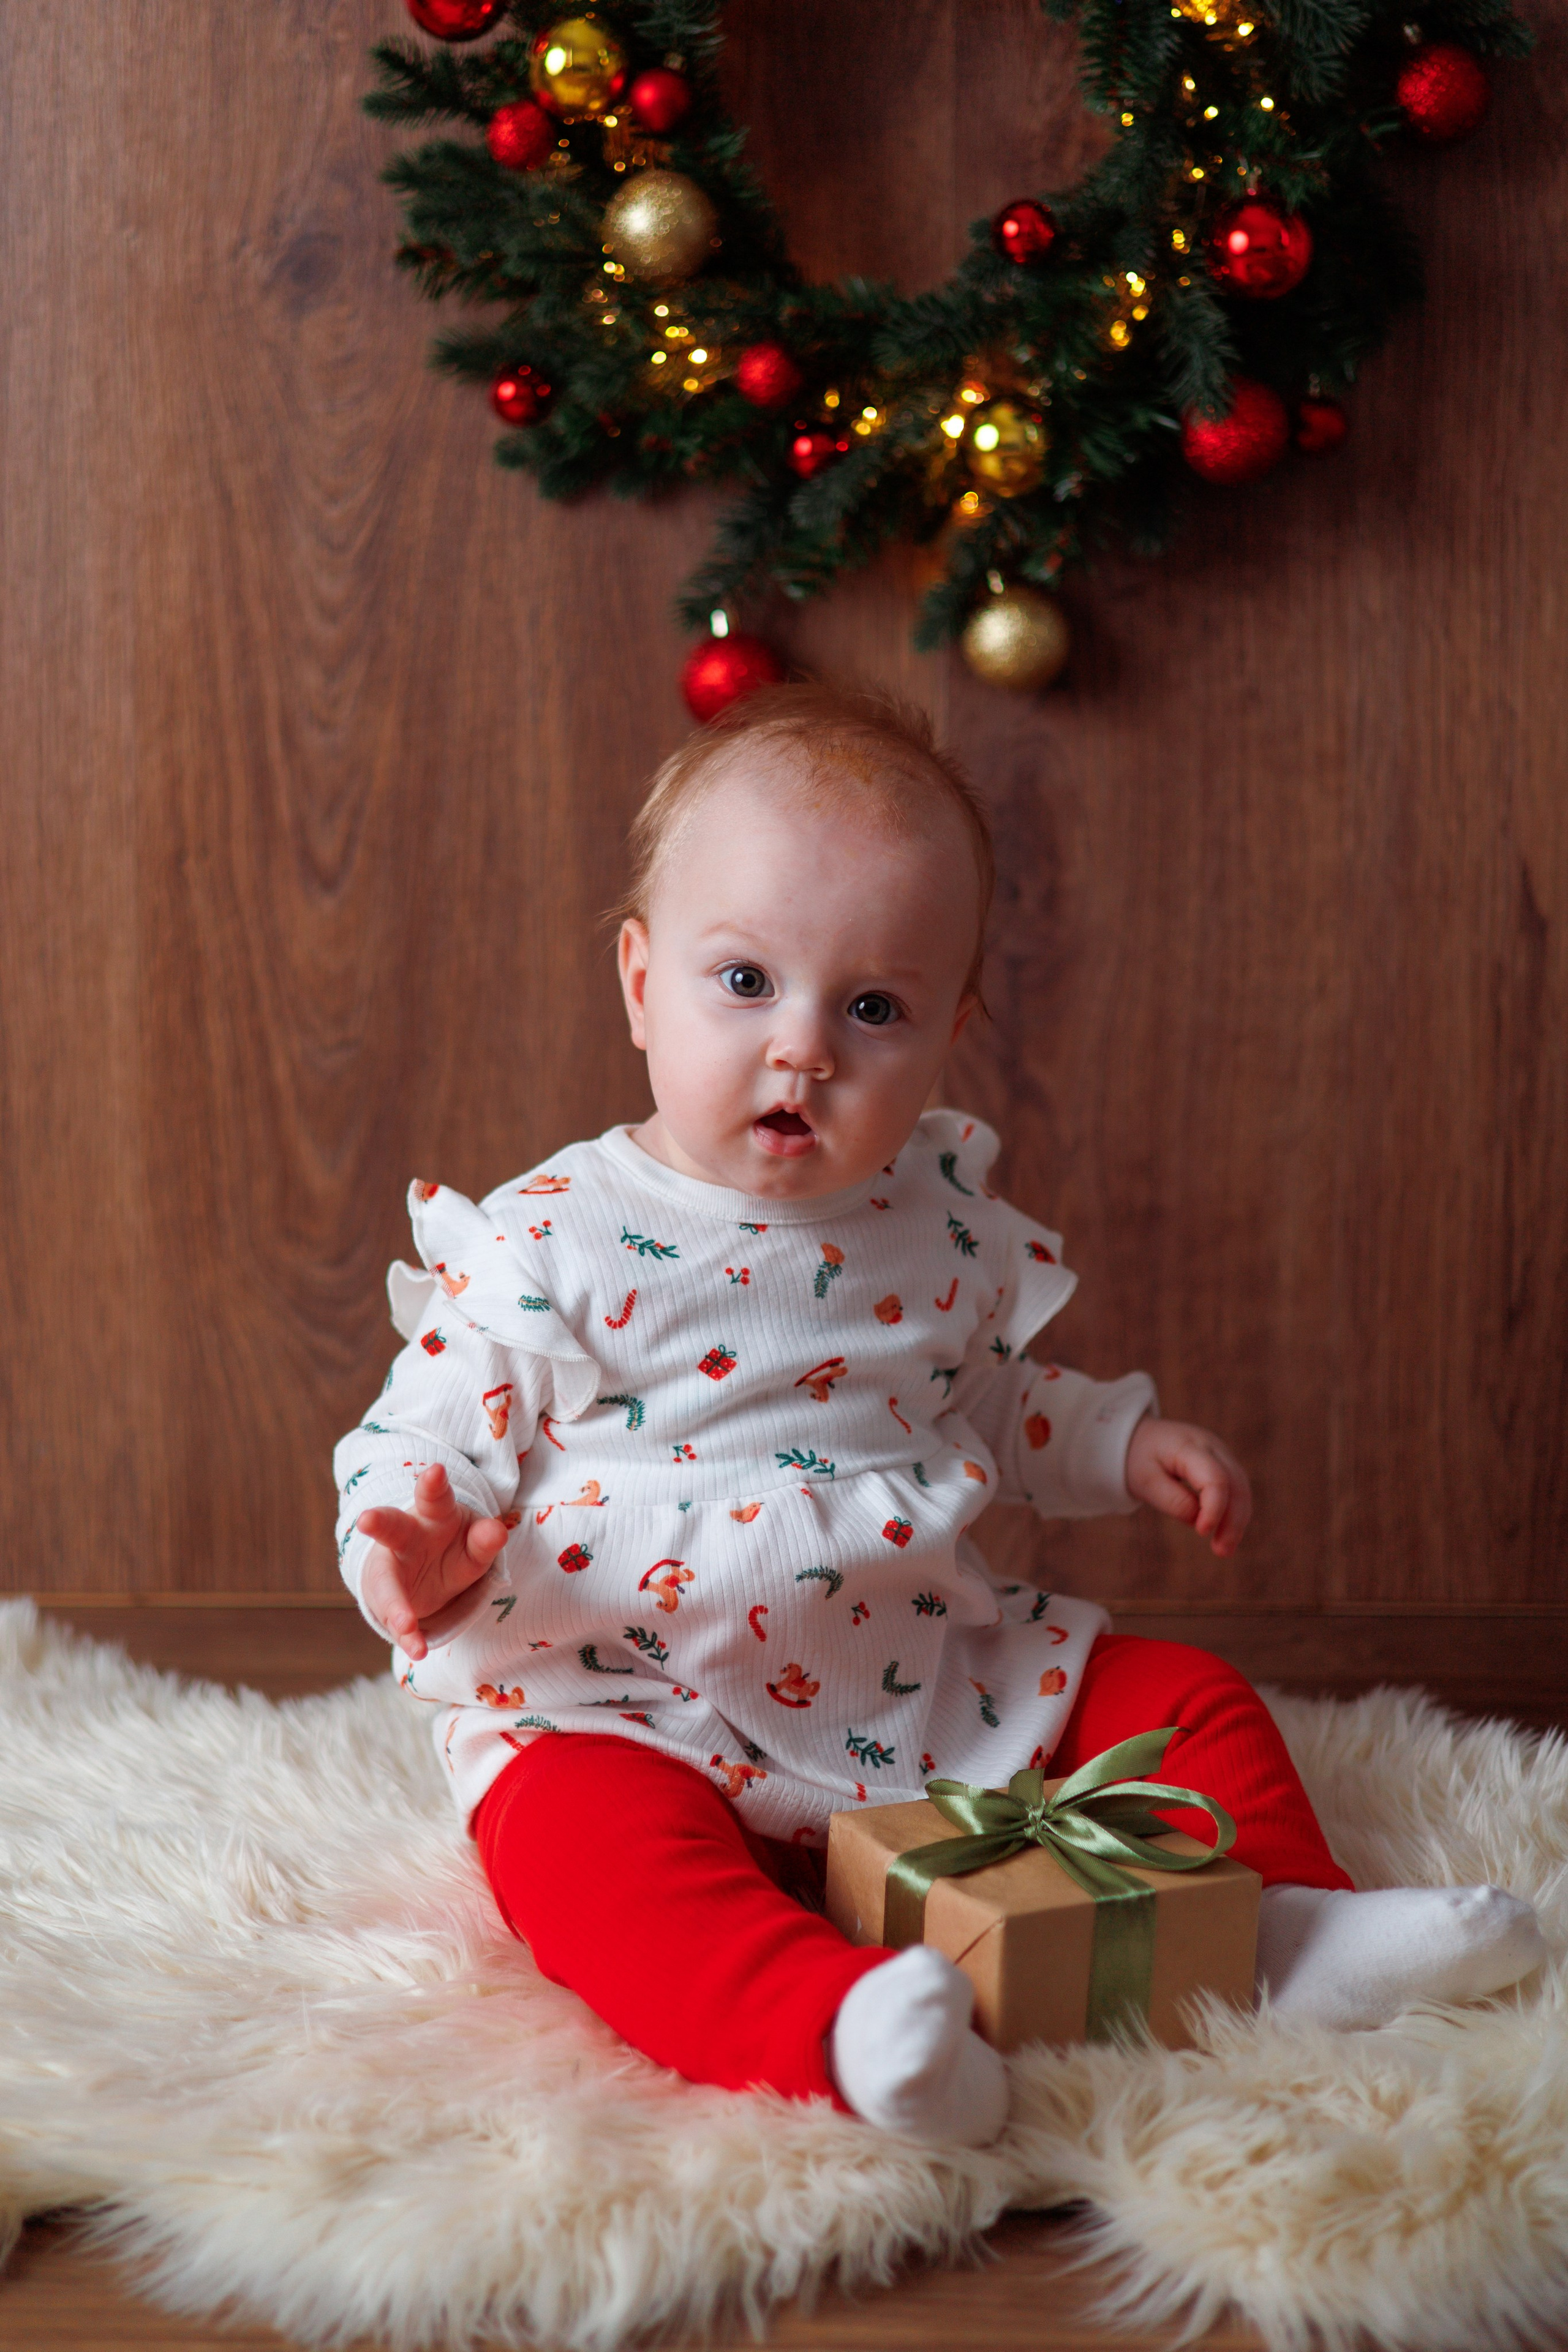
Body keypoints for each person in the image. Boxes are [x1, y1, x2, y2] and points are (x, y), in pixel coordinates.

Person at [335, 685, 1544, 2147]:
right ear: (640, 981)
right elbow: (422, 1437)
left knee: (1175, 1695)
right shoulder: (549, 1241)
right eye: (743, 983)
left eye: (872, 1008)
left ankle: (1271, 1933)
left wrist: (1115, 1444)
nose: (804, 1049)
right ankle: (835, 2026)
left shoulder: (939, 1229)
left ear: (948, 1030)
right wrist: (400, 1545)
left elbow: (990, 1405)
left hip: (912, 1666)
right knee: (583, 1858)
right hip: (625, 1696)